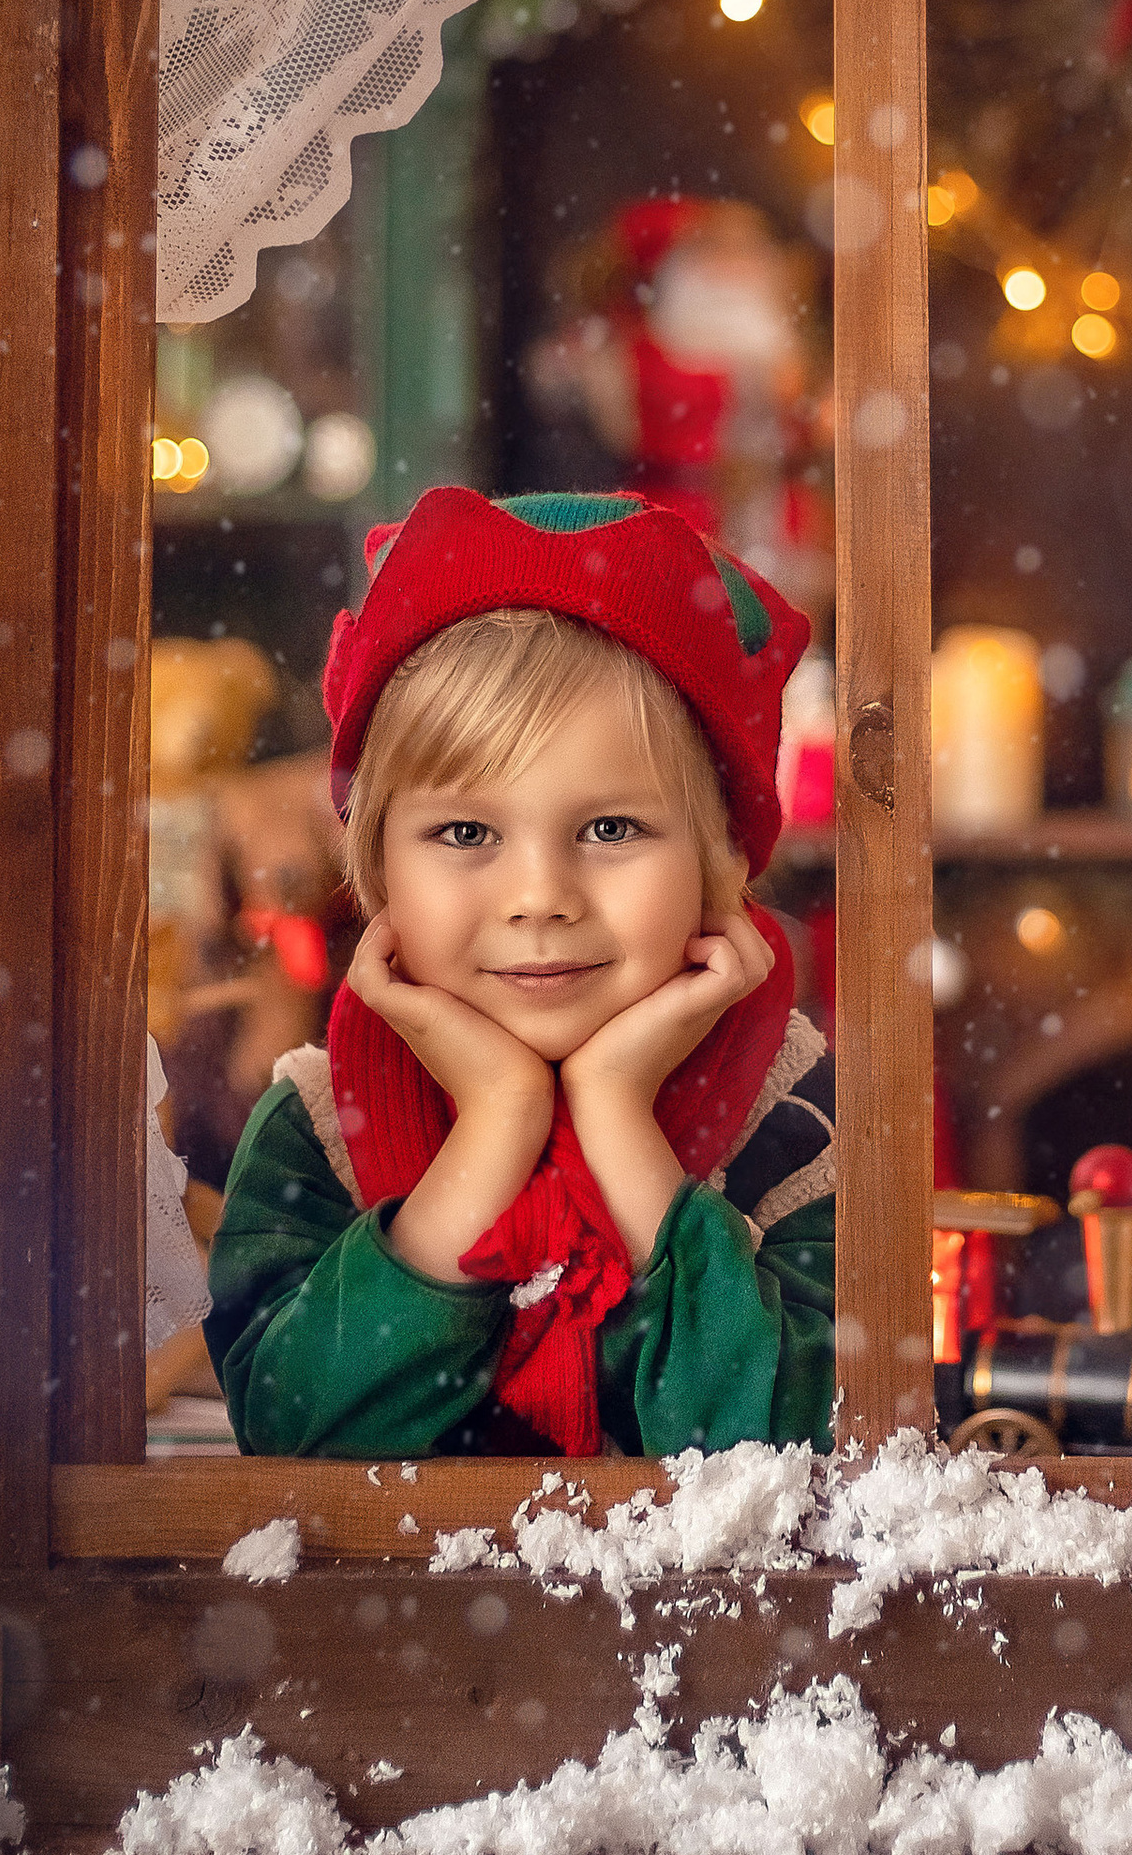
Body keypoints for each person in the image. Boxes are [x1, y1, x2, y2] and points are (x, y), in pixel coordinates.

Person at [207, 488, 836, 1460]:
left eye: (610, 828)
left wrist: (617, 1116)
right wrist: (499, 1119)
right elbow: (299, 1449)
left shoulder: (795, 1125)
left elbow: (776, 1448)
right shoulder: (314, 1128)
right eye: (465, 832)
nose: (538, 896)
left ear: (719, 865)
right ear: (377, 873)